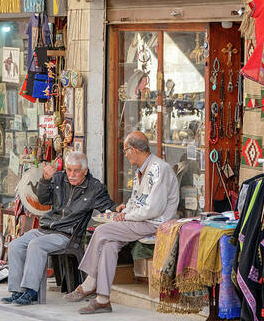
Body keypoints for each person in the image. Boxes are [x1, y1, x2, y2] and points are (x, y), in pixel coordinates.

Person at [65, 131, 180, 314]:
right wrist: (124, 212)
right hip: (140, 220)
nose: (125, 154)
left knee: (102, 232)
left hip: (155, 223)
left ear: (134, 150)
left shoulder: (159, 169)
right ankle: (103, 299)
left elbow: (154, 209)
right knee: (110, 243)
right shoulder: (140, 171)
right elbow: (136, 202)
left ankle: (89, 282)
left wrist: (127, 216)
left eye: (126, 150)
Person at [0, 151, 116, 306]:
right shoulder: (58, 179)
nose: (72, 174)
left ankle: (31, 292)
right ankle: (17, 291)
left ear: (85, 171)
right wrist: (46, 180)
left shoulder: (94, 188)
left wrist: (118, 209)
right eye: (69, 170)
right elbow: (43, 200)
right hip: (45, 228)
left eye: (76, 171)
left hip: (67, 235)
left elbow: (108, 207)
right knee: (15, 245)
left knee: (36, 245)